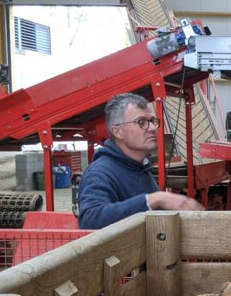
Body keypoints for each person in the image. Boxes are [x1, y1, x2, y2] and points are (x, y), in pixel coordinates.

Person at [77, 93, 203, 229]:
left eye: (153, 121)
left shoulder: (140, 168)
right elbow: (90, 220)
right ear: (118, 132)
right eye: (141, 122)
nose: (152, 128)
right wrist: (153, 200)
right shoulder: (100, 173)